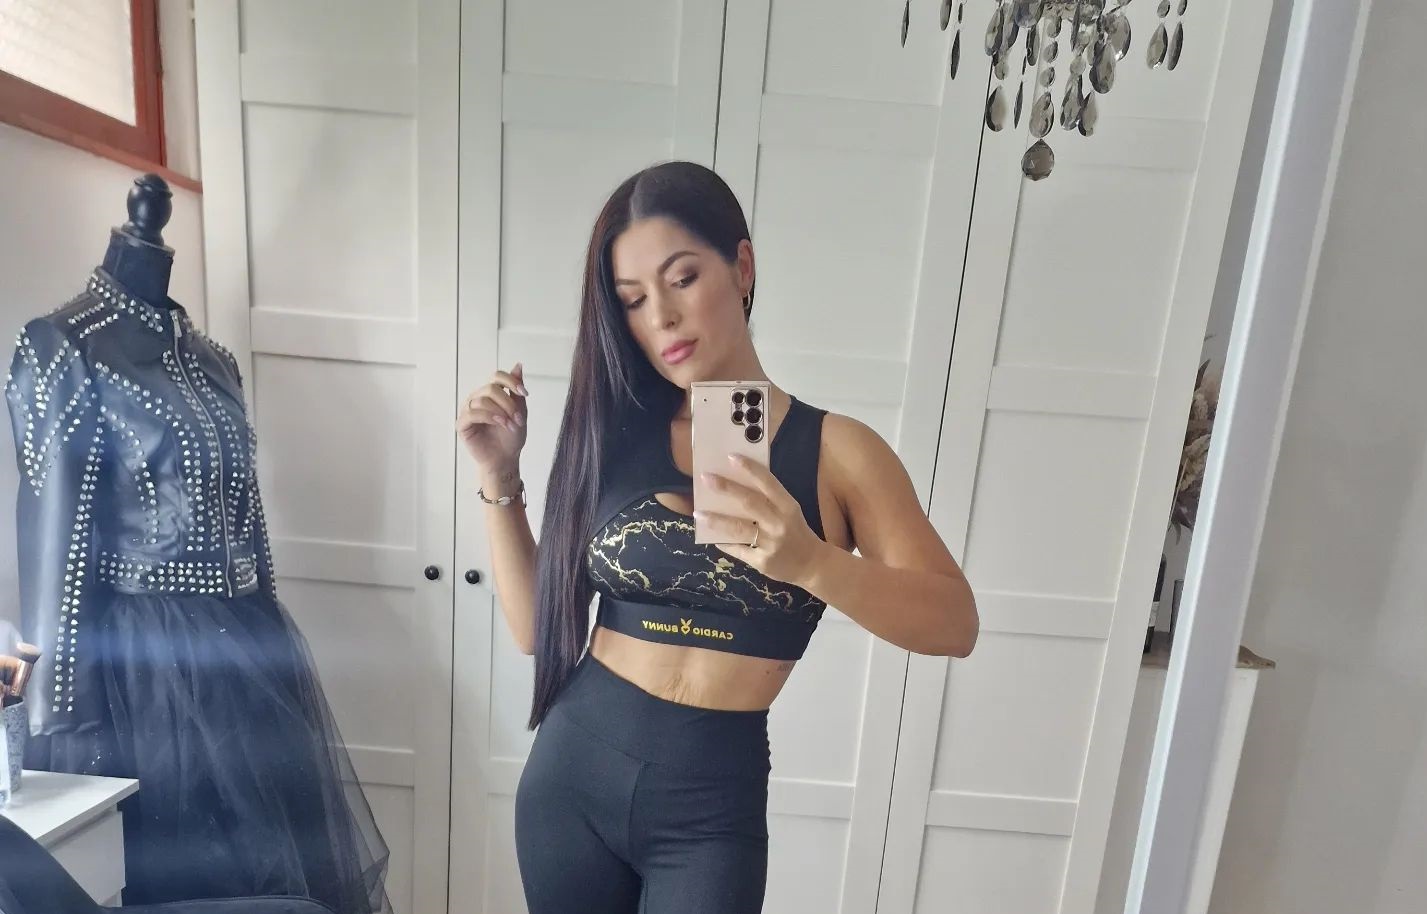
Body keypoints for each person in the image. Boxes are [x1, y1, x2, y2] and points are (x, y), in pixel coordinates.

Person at [455, 161, 978, 914]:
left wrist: (811, 562)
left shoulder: (837, 452)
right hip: (572, 775)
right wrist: (499, 476)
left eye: (682, 278)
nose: (661, 318)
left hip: (708, 809)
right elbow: (536, 629)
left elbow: (954, 625)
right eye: (633, 300)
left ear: (742, 267)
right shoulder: (613, 432)